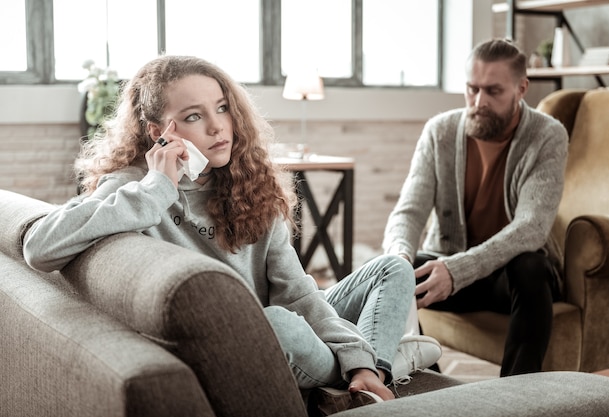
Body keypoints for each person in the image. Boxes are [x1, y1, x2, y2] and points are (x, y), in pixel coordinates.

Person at [22, 55, 440, 414]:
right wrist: (156, 191)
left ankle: (369, 373)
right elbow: (40, 246)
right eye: (192, 116)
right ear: (158, 133)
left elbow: (296, 292)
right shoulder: (135, 189)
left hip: (288, 319)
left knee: (391, 269)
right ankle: (392, 361)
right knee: (277, 323)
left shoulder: (251, 184)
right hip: (260, 337)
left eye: (221, 108)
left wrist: (355, 356)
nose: (218, 126)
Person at [382, 38, 569, 377]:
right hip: (452, 266)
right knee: (394, 270)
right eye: (472, 89)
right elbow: (409, 211)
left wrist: (459, 271)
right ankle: (427, 381)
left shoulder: (547, 135)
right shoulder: (440, 132)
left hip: (508, 277)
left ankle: (518, 395)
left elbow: (532, 226)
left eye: (493, 91)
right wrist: (399, 257)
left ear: (521, 88)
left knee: (530, 266)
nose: (479, 102)